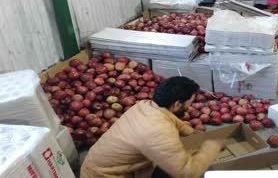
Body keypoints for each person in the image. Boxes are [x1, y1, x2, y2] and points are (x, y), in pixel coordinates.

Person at [80, 76, 222, 178]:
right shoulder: (159, 130)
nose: (190, 105)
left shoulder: (145, 105)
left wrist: (192, 132)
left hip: (98, 166)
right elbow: (186, 173)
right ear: (178, 104)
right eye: (190, 102)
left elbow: (170, 118)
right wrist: (210, 148)